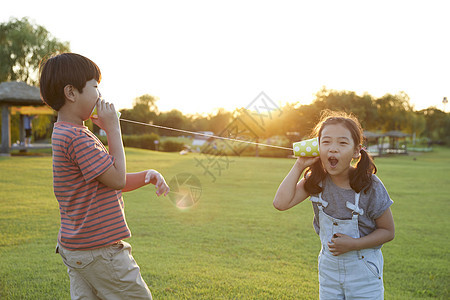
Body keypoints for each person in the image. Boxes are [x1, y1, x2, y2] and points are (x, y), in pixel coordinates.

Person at [39, 52, 170, 300]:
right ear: (71, 93)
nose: (100, 94)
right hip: (99, 251)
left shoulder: (67, 132)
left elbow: (108, 181)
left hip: (77, 249)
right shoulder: (77, 138)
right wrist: (113, 129)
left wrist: (146, 176)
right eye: (95, 87)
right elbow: (117, 179)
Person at [273, 110, 395, 299]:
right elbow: (280, 203)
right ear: (317, 147)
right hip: (329, 274)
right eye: (326, 142)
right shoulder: (315, 181)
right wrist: (299, 165)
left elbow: (388, 231)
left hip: (364, 276)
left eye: (342, 142)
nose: (333, 148)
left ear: (356, 150)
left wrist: (354, 244)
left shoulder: (370, 185)